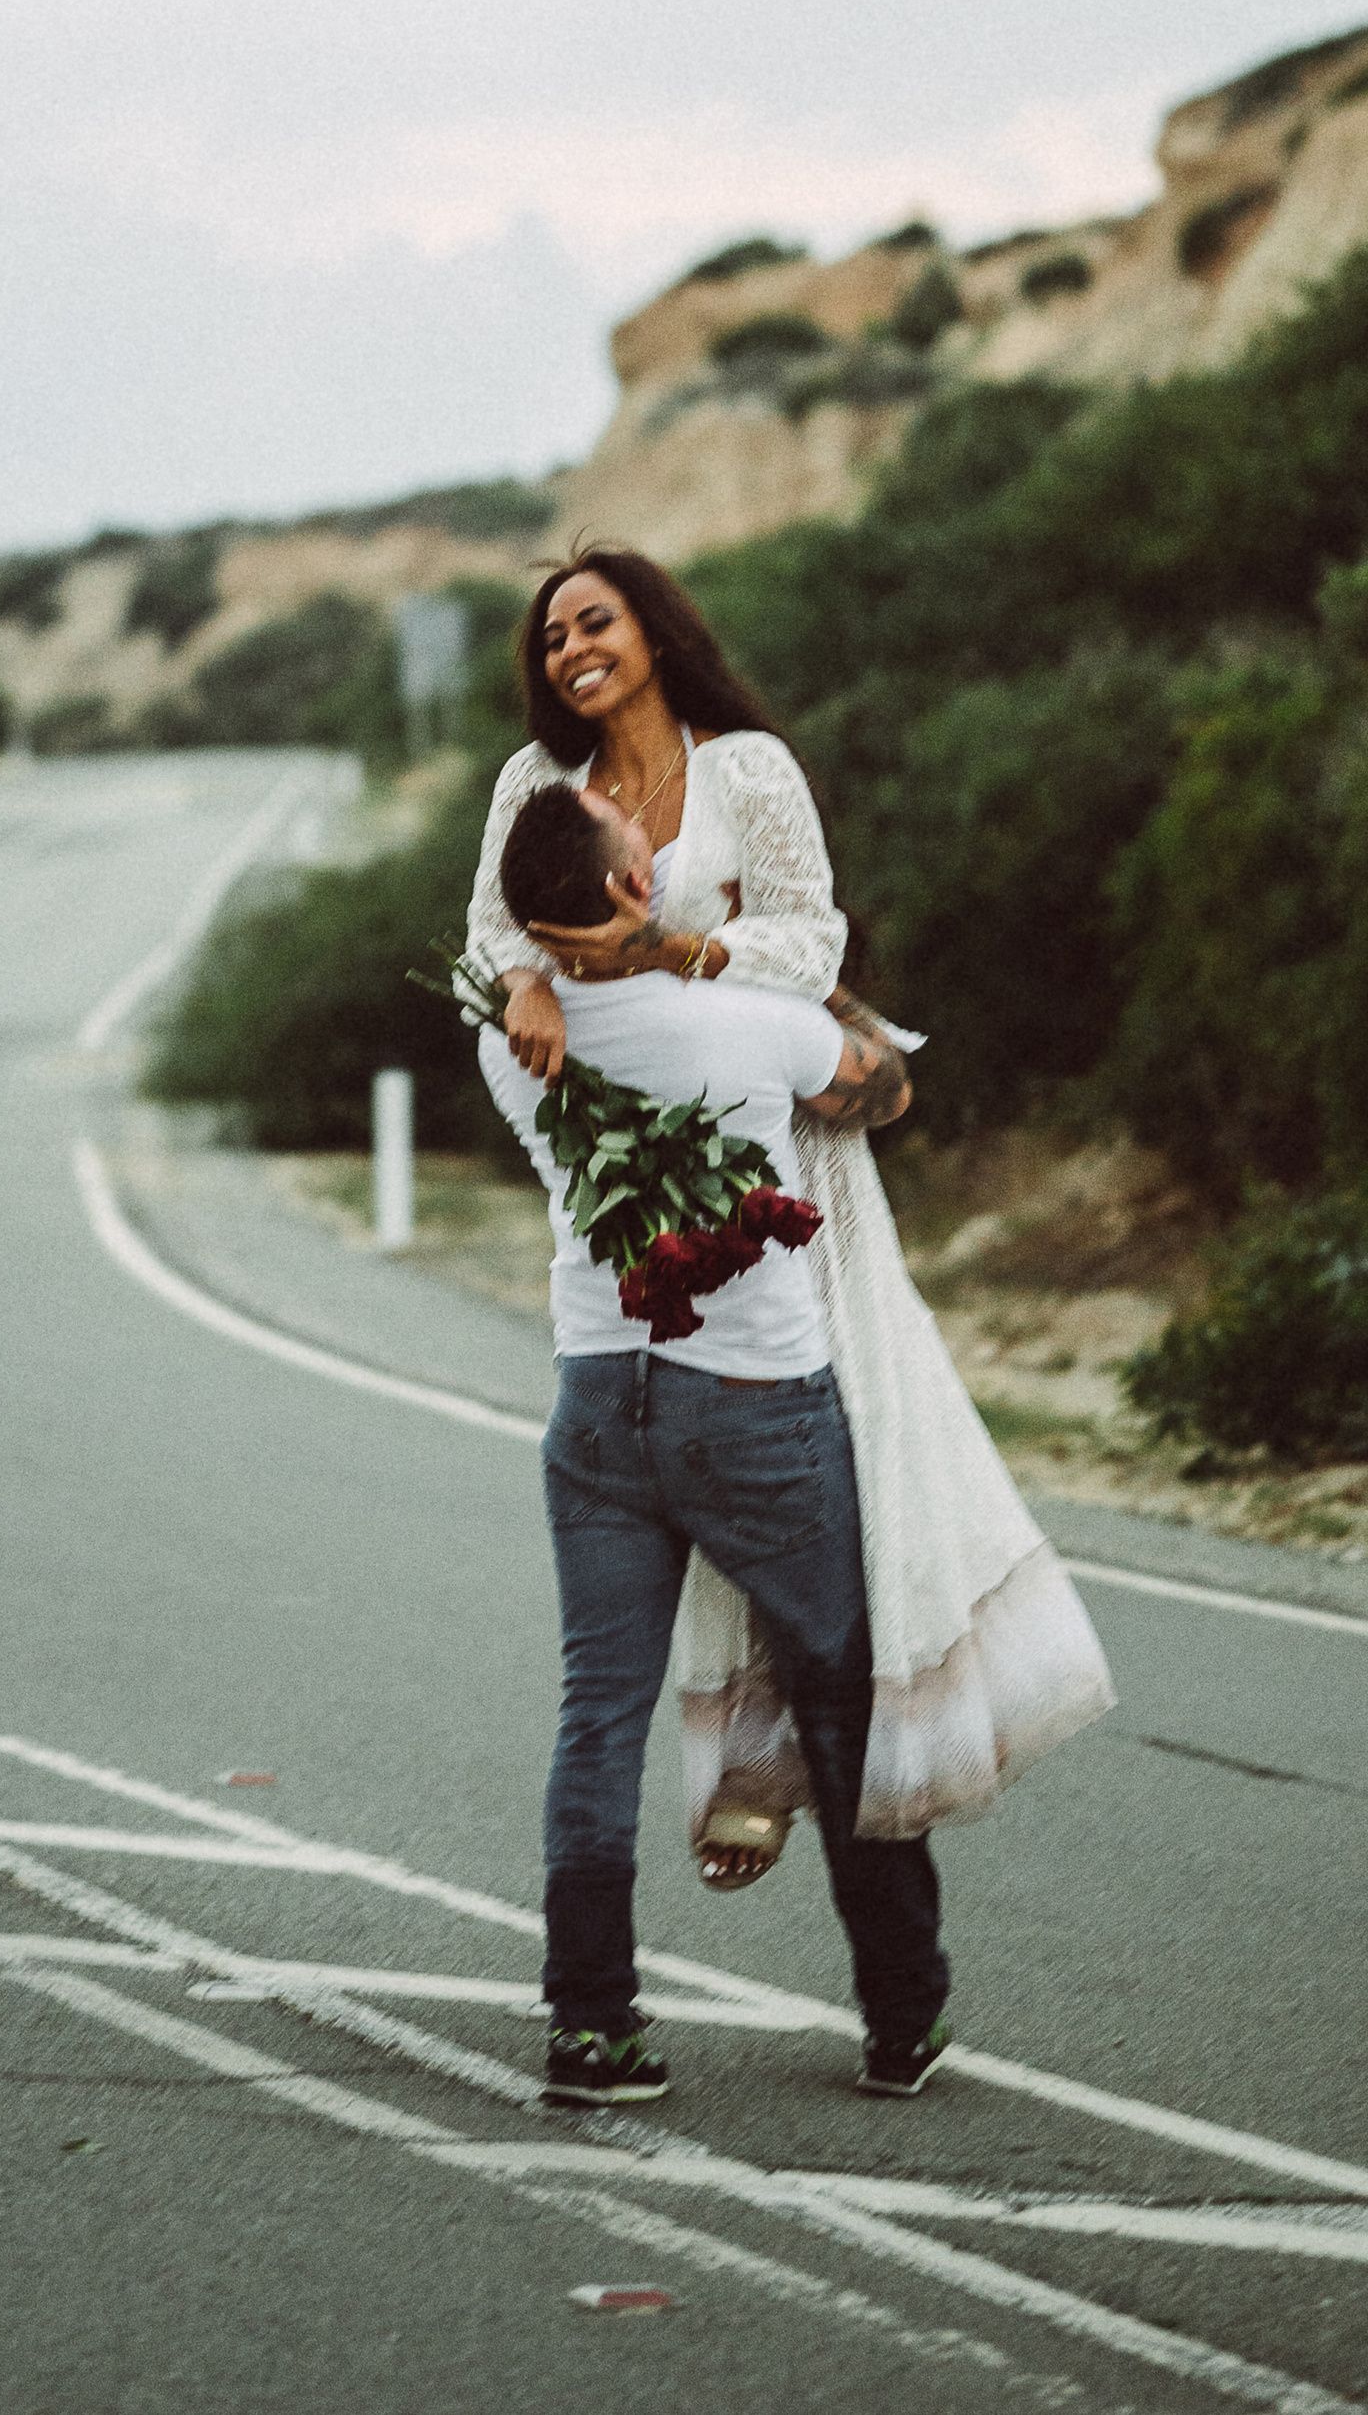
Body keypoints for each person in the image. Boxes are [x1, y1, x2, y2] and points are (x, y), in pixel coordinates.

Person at [477, 781, 944, 2104]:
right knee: (842, 1694)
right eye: (646, 854)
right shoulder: (748, 1021)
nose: (659, 856)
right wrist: (743, 952)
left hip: (598, 1400)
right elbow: (885, 1087)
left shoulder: (515, 1049)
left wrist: (535, 975)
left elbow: (507, 959)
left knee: (599, 1709)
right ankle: (902, 2011)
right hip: (753, 1399)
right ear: (632, 891)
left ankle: (591, 2026)